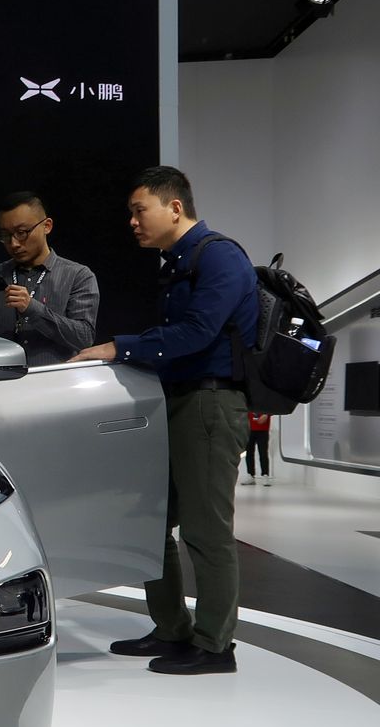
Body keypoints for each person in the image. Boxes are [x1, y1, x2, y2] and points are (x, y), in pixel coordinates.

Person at [70, 166, 258, 675]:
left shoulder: (218, 255)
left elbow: (197, 333)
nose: (132, 222)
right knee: (152, 524)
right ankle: (172, 629)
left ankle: (216, 646)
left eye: (139, 210)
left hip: (209, 406)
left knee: (205, 530)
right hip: (177, 403)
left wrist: (118, 346)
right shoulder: (179, 261)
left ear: (174, 207)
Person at [0, 191, 100, 365]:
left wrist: (33, 309)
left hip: (59, 384)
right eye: (5, 235)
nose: (14, 243)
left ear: (47, 226)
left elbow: (84, 338)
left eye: (22, 232)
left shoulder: (78, 276)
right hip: (2, 385)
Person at [244, 412, 273, 485]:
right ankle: (250, 475)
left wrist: (267, 414)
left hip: (263, 428)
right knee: (249, 453)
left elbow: (273, 408)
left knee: (263, 453)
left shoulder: (267, 400)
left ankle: (265, 475)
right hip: (249, 427)